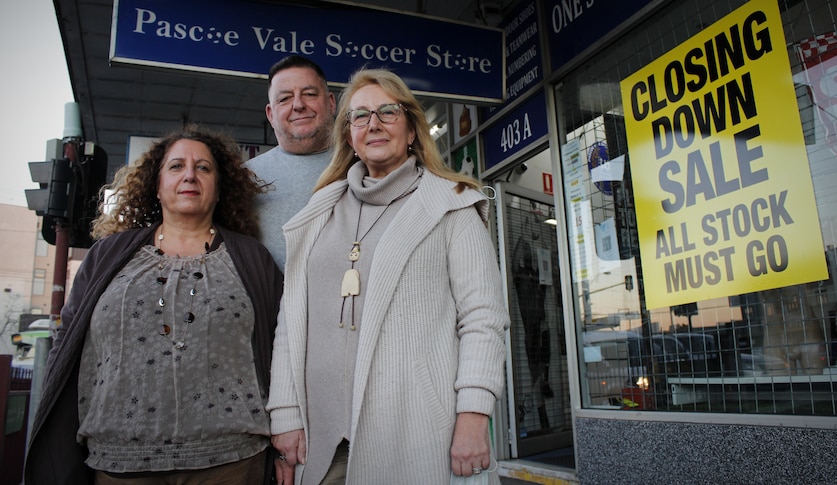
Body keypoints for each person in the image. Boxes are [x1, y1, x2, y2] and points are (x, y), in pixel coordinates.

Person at [267, 68, 510, 484]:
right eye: (360, 116)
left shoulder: (452, 206)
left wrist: (474, 416)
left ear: (412, 129)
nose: (373, 124)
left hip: (416, 436)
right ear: (348, 136)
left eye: (387, 112)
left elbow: (483, 320)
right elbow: (291, 322)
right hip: (321, 440)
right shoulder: (320, 211)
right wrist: (285, 411)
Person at [24, 126, 283, 484]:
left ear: (220, 187)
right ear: (156, 184)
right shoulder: (108, 255)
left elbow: (282, 349)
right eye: (176, 166)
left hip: (231, 460)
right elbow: (69, 342)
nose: (190, 175)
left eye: (203, 168)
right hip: (120, 461)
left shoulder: (252, 258)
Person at [246, 55, 337, 269]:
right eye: (285, 98)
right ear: (270, 113)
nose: (298, 105)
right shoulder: (244, 178)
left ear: (331, 103)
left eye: (310, 94)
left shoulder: (365, 167)